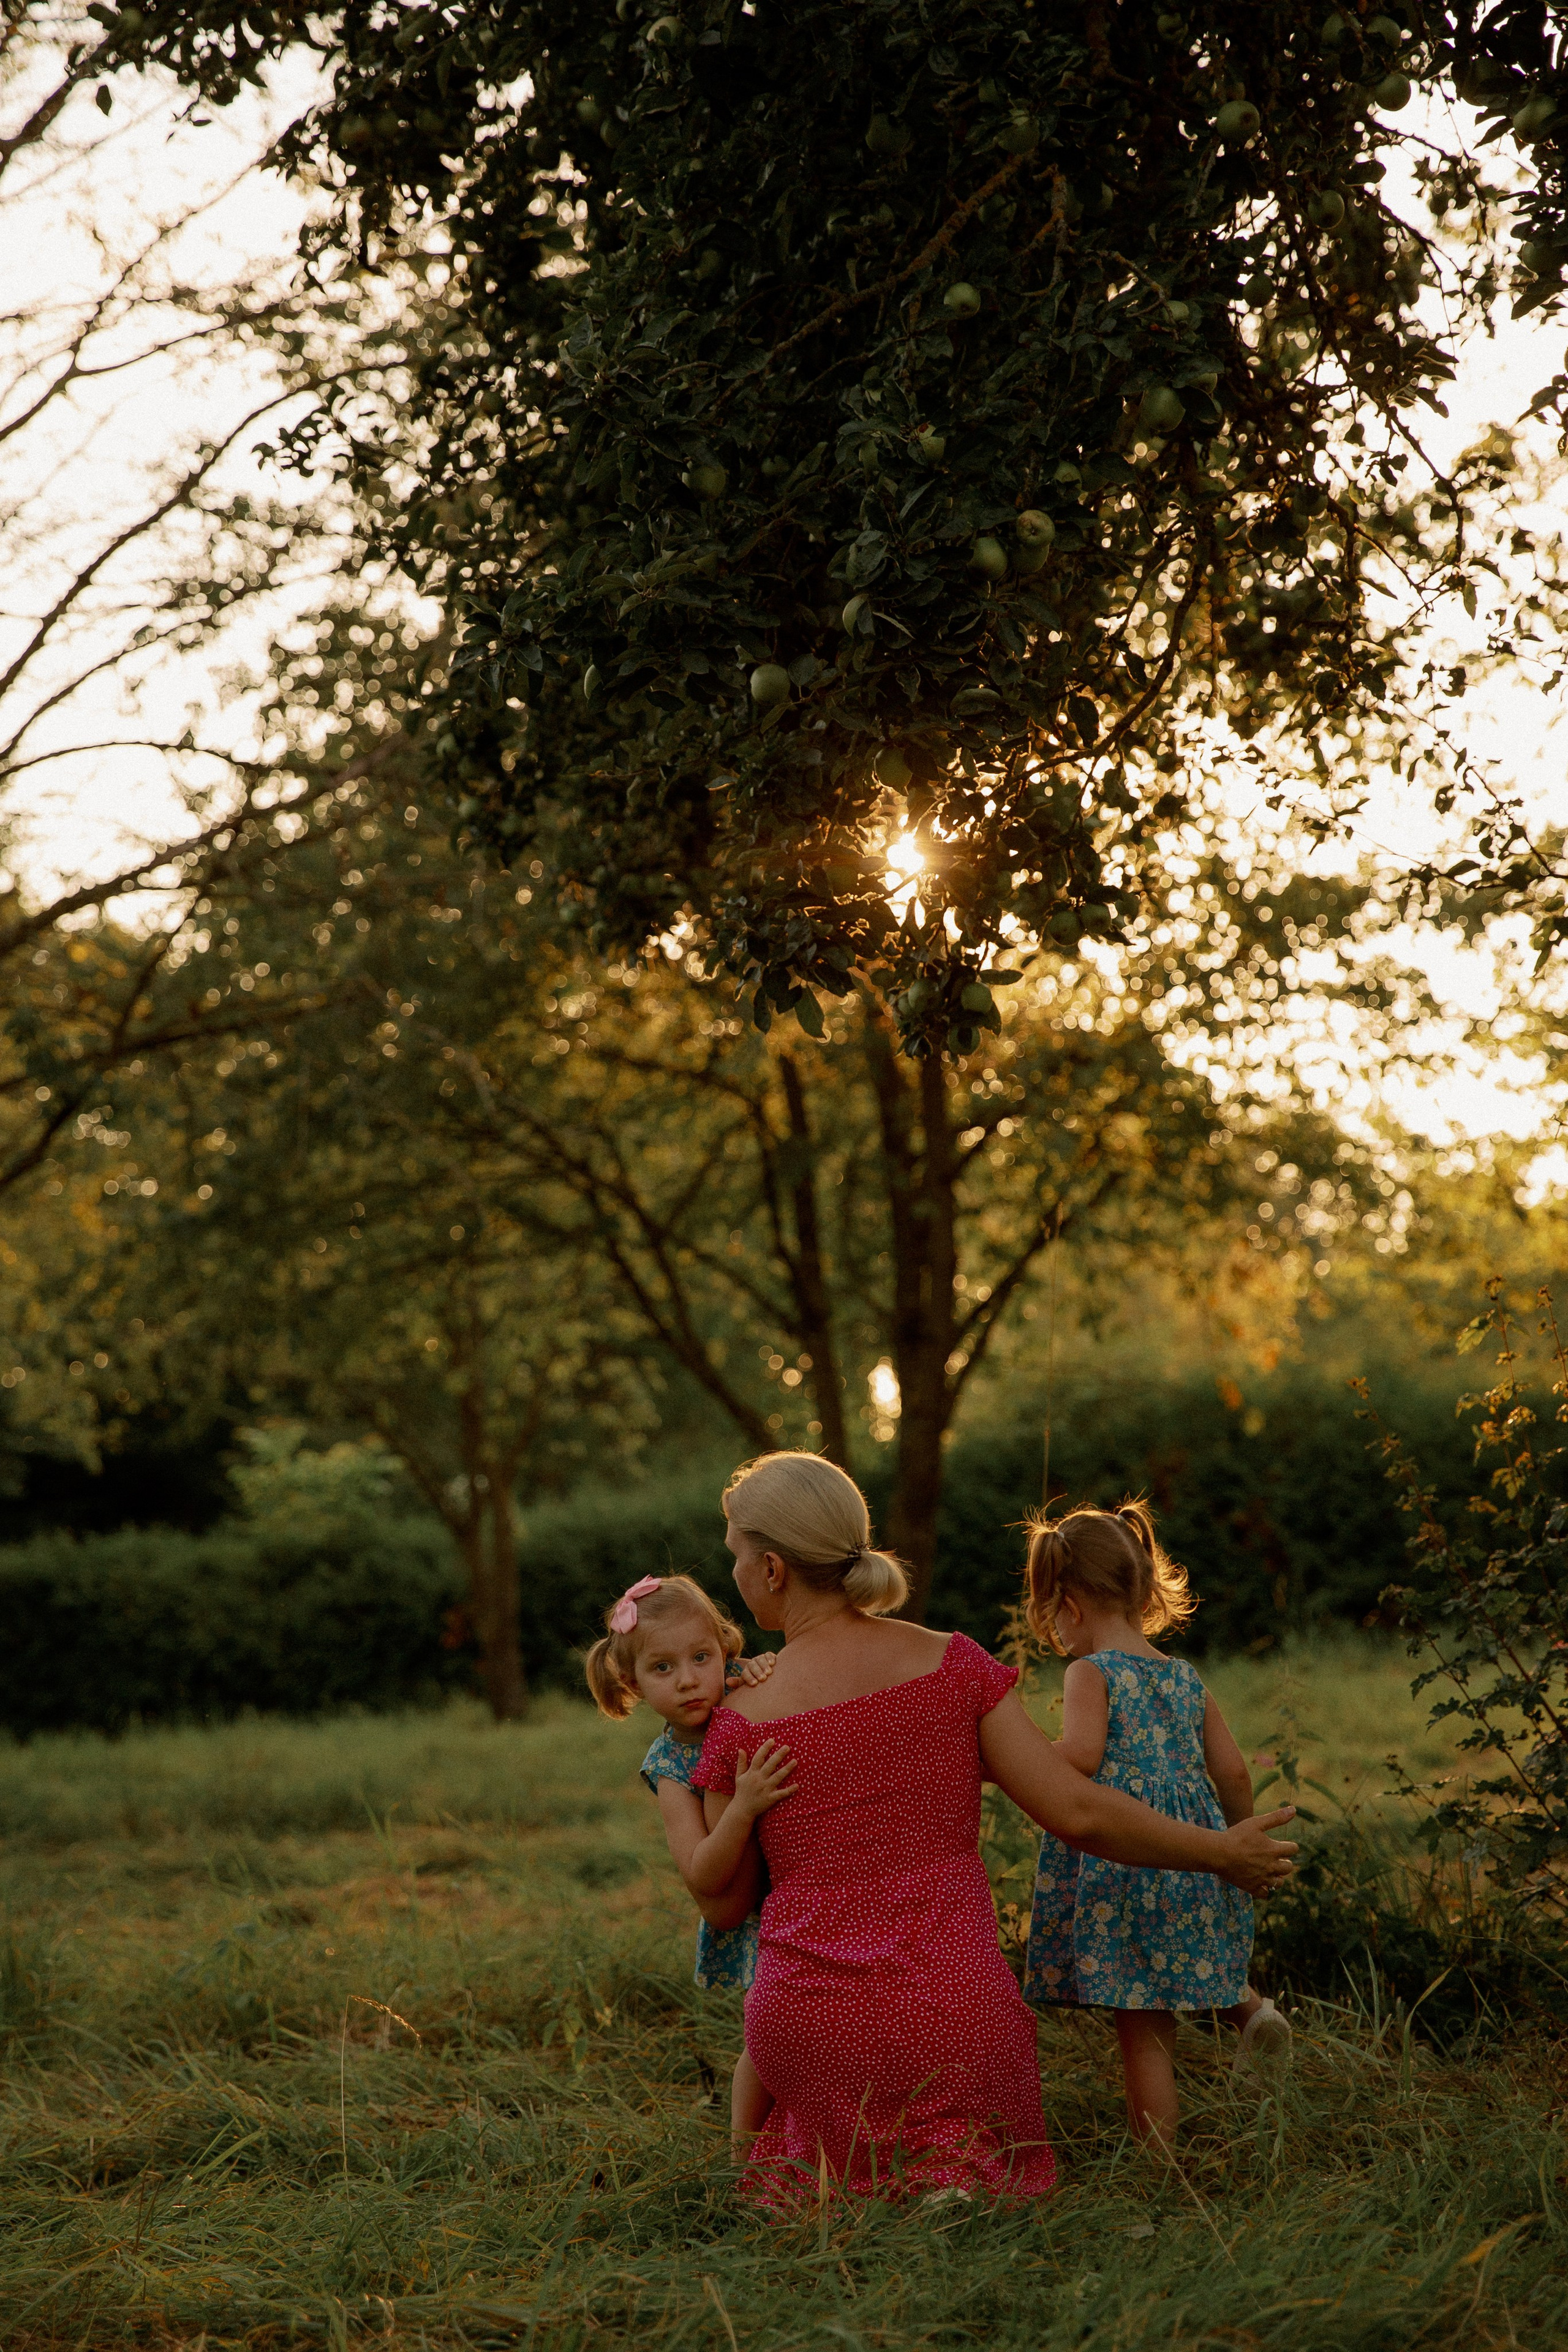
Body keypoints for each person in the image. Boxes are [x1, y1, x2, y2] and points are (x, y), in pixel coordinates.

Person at [693, 1452, 1297, 2208]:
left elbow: (724, 1906)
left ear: (774, 1569)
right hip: (959, 2022)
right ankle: (948, 2176)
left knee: (819, 2174)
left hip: (812, 2028)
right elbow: (1077, 1812)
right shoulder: (954, 1665)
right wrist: (1220, 1851)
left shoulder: (739, 1720)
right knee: (959, 2148)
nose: (736, 1577)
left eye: (737, 1558)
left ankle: (848, 2174)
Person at [1021, 1500, 1293, 2148]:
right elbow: (1232, 1772)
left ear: (1070, 1606)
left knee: (1144, 2029)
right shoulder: (1184, 1676)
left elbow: (1081, 1757)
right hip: (1198, 1852)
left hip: (1132, 1862)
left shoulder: (1091, 1672)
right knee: (1198, 1963)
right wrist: (1236, 1844)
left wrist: (1020, 1762)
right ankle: (1252, 2013)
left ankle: (1159, 2168)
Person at [584, 1572, 793, 2151]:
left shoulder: (743, 1688)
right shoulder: (669, 1764)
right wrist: (743, 1808)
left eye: (702, 1658)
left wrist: (761, 1668)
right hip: (752, 1915)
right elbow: (701, 1870)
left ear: (726, 1647)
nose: (689, 1681)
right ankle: (742, 2154)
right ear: (630, 1682)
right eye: (662, 1669)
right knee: (767, 2038)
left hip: (806, 1892)